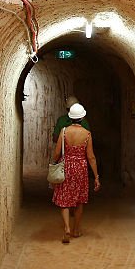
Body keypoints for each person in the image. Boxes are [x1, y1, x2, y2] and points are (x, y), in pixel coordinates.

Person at [51, 103, 100, 243]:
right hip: (81, 168)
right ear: (83, 117)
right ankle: (76, 230)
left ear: (70, 117)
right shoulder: (87, 134)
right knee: (79, 200)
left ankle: (66, 228)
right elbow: (91, 156)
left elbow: (56, 152)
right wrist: (96, 176)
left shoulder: (64, 131)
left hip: (66, 166)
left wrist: (54, 164)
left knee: (64, 199)